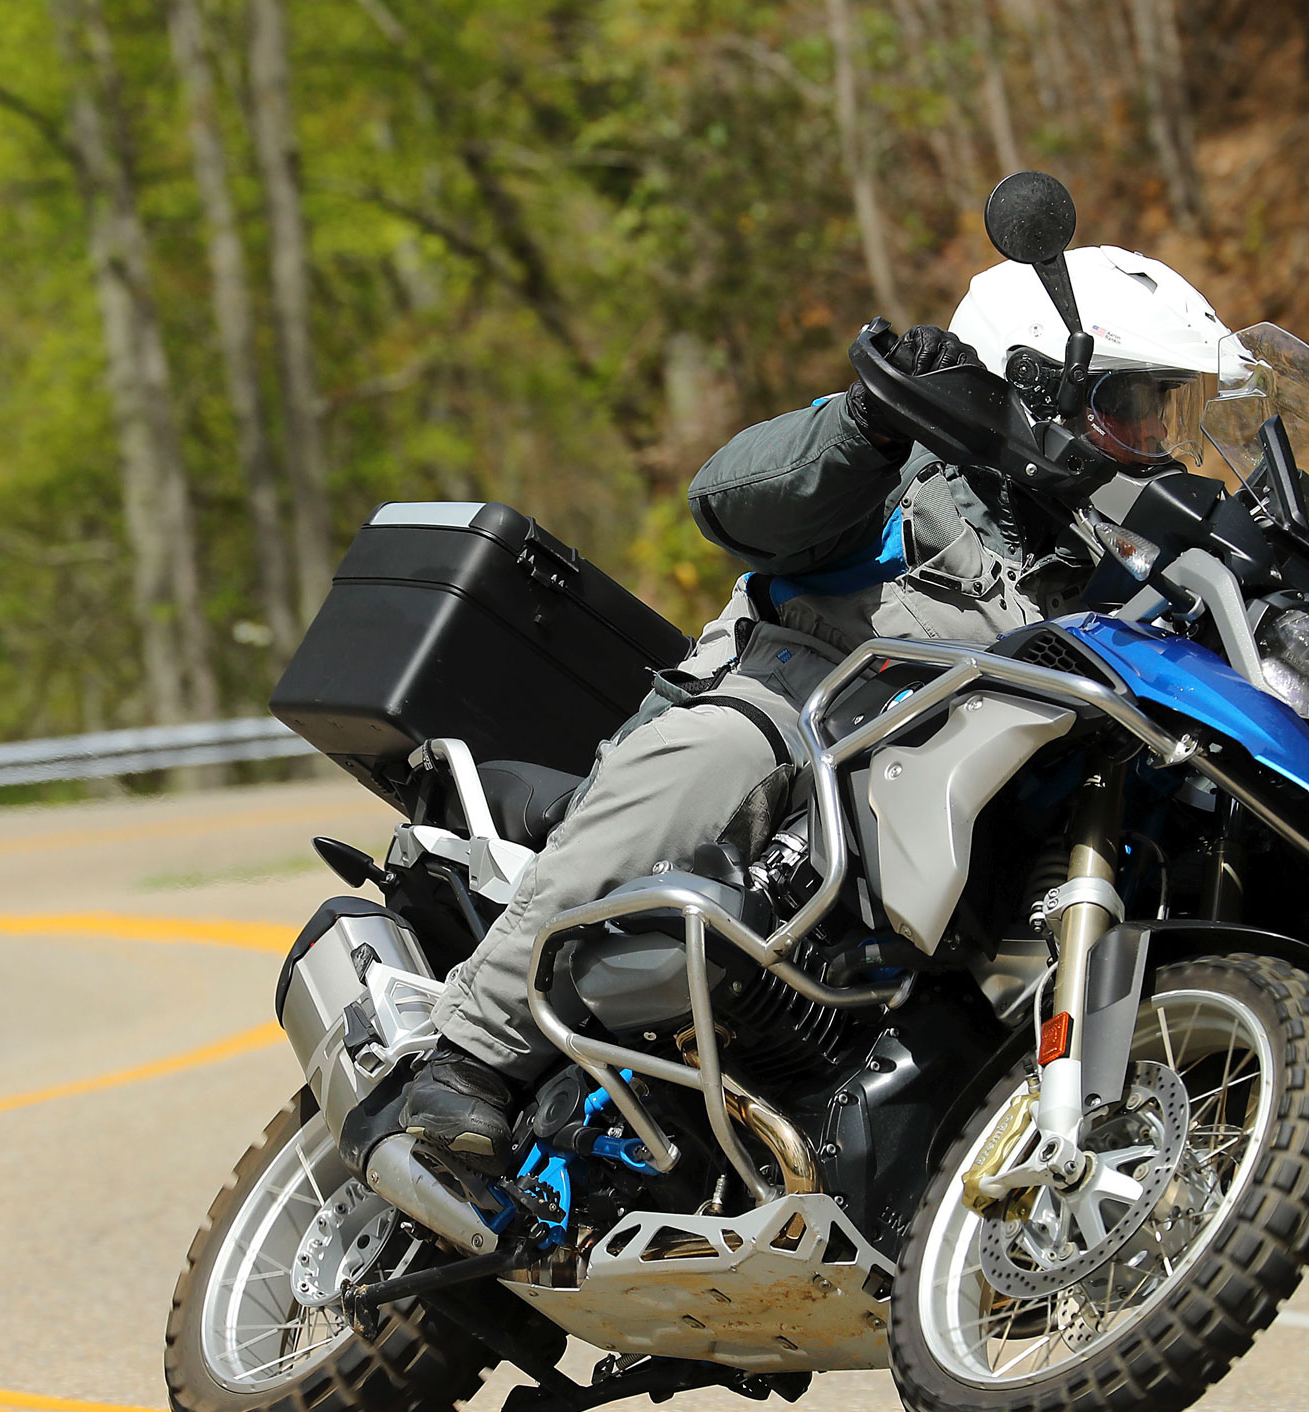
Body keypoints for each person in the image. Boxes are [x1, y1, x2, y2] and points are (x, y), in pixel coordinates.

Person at [400, 244, 1232, 1171]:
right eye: (1130, 405)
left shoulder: (1105, 567)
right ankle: (471, 1054)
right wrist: (870, 420)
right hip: (800, 715)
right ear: (1035, 381)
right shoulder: (912, 463)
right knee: (719, 754)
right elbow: (728, 499)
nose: (1152, 436)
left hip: (952, 793)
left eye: (1163, 409)